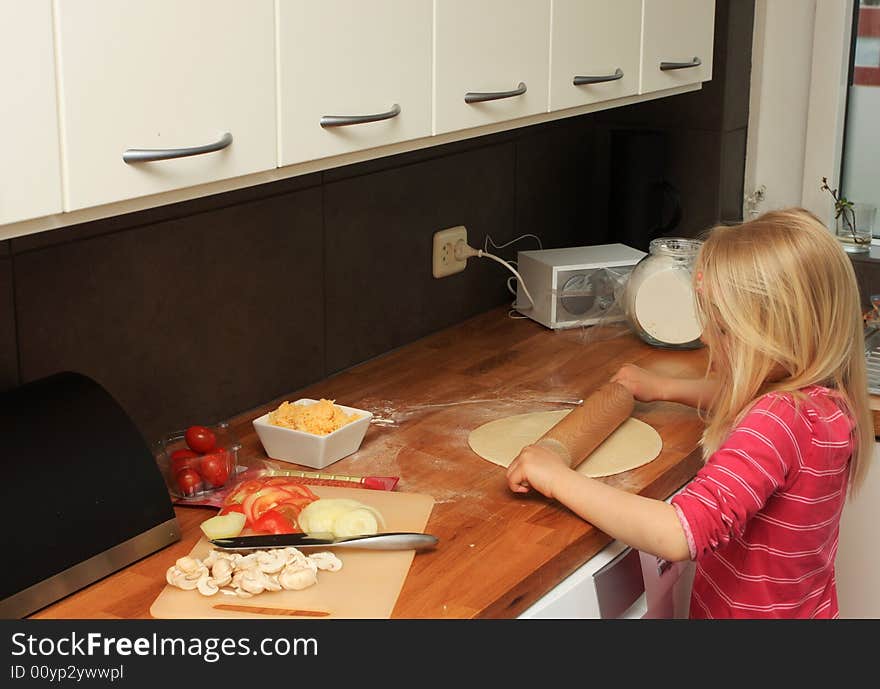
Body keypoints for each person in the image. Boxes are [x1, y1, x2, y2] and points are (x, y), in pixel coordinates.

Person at [506, 208, 873, 619]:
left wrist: (556, 478)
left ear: (773, 335)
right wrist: (665, 388)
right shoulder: (825, 400)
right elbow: (757, 394)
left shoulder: (775, 423)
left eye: (723, 327)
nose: (704, 336)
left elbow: (677, 532)